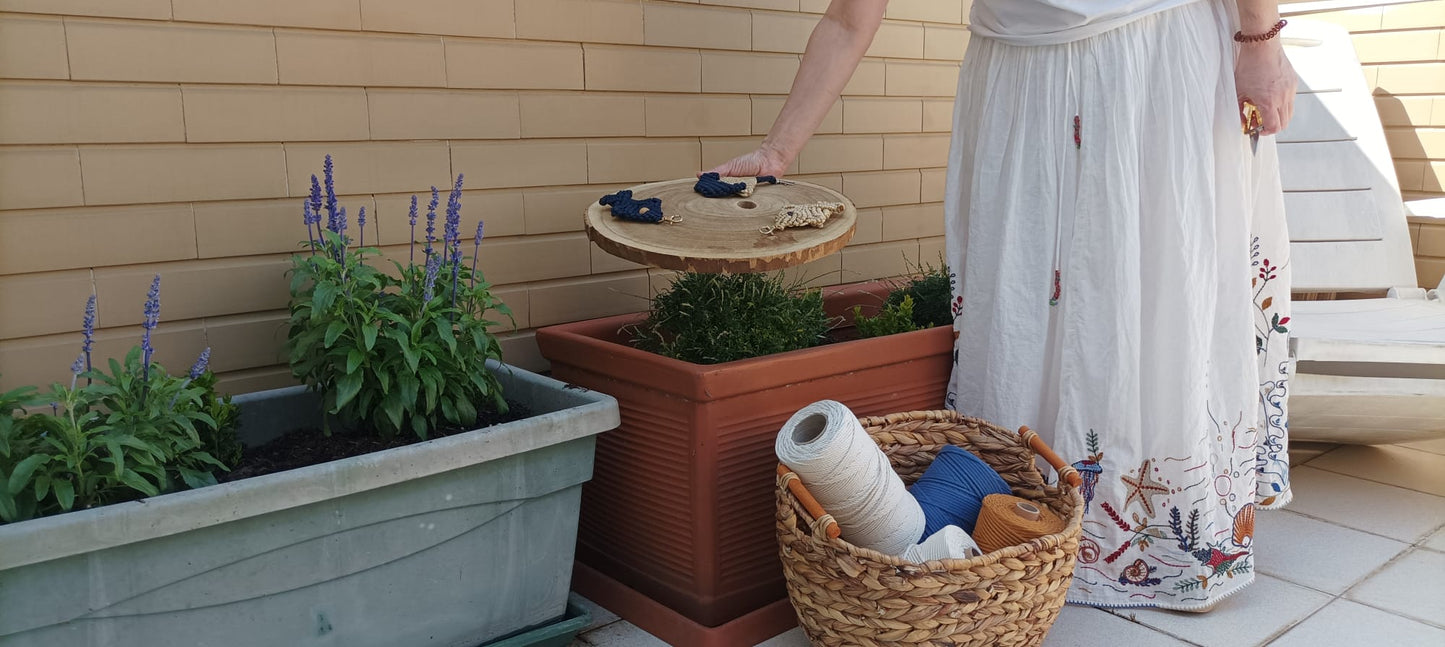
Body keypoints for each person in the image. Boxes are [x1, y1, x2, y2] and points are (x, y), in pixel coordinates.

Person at [707, 0, 1295, 611]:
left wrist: (1260, 38)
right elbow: (850, 16)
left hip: (1148, 56)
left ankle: (1161, 534)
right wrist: (778, 151)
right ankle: (1027, 527)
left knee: (1155, 289)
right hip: (1017, 77)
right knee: (1020, 300)